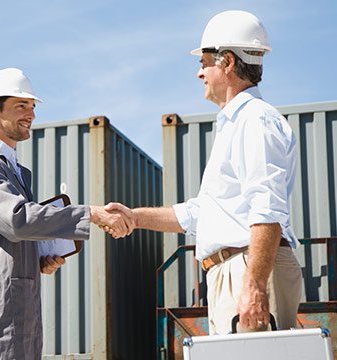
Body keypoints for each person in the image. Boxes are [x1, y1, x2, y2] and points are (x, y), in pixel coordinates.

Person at [106, 10, 302, 335]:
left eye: (204, 63)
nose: (200, 73)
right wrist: (135, 217)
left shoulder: (254, 121)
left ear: (227, 62)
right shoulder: (236, 124)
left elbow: (267, 209)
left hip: (247, 269)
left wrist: (253, 286)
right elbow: (203, 213)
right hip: (235, 270)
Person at [0, 67, 130, 359]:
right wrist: (91, 214)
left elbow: (8, 241)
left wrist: (37, 260)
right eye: (21, 105)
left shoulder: (13, 169)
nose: (31, 114)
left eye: (32, 107)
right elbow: (17, 220)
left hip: (22, 315)